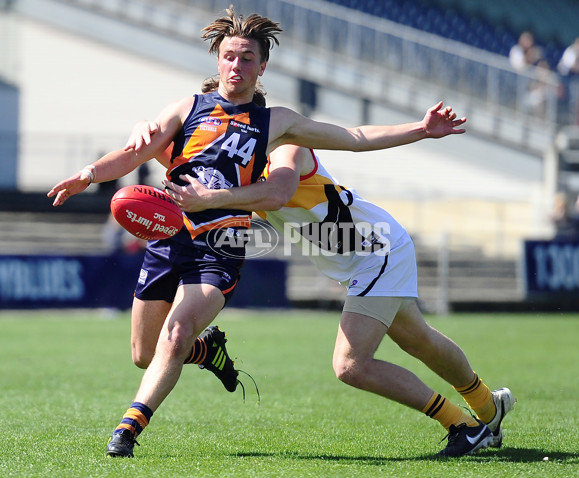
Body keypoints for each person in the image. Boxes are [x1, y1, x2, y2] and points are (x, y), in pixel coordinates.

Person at [47, 6, 472, 459]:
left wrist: (421, 130)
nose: (237, 66)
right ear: (217, 60)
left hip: (221, 246)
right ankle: (207, 354)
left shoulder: (275, 123)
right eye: (230, 56)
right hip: (171, 236)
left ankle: (127, 431)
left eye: (248, 58)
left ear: (262, 67)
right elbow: (135, 153)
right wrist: (88, 174)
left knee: (175, 336)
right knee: (144, 352)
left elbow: (353, 135)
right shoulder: (188, 108)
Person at [128, 75, 515, 458]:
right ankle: (486, 406)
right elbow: (174, 161)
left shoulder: (284, 146)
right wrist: (146, 132)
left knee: (351, 365)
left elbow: (350, 142)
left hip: (376, 248)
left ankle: (461, 425)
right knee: (418, 339)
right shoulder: (229, 163)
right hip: (360, 258)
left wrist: (422, 129)